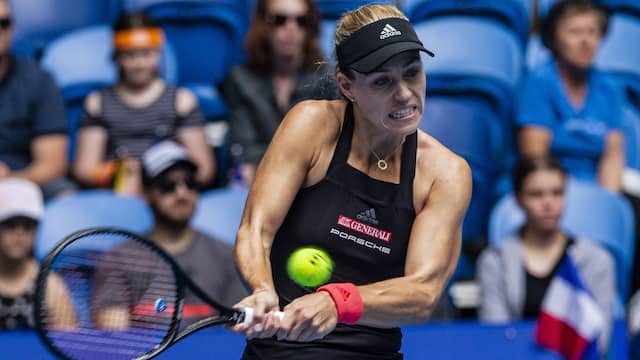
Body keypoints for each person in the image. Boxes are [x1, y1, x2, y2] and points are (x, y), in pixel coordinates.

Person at [231, 4, 471, 358]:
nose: (405, 93)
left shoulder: (444, 173)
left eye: (412, 72)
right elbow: (256, 229)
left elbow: (423, 293)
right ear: (347, 86)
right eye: (382, 81)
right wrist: (262, 288)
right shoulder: (311, 126)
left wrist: (338, 302)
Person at [92, 140, 247, 330]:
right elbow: (113, 336)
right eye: (168, 185)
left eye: (189, 183)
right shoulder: (119, 259)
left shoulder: (225, 256)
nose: (182, 193)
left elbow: (237, 333)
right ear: (147, 193)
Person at [477, 156, 615, 352]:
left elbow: (598, 339)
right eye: (536, 194)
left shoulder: (597, 259)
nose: (548, 203)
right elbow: (496, 336)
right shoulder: (494, 261)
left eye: (557, 193)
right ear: (518, 199)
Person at [72, 12, 215, 196]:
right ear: (117, 57)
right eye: (130, 55)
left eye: (147, 54)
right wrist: (114, 173)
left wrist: (165, 179)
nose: (139, 63)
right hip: (117, 192)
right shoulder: (97, 103)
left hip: (169, 194)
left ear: (159, 53)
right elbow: (84, 169)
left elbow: (204, 169)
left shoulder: (181, 101)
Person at [220, 0, 340, 185]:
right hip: (257, 184)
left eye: (301, 20)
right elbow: (243, 150)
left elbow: (331, 148)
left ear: (310, 27)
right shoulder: (240, 79)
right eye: (279, 20)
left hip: (314, 185)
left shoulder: (328, 79)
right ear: (263, 26)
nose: (290, 28)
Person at [516, 0, 623, 192]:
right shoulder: (539, 82)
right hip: (549, 193)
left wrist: (606, 203)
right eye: (574, 32)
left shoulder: (610, 88)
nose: (585, 41)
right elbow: (535, 158)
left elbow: (613, 157)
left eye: (593, 32)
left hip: (595, 191)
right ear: (554, 38)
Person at [0, 0, 69, 200]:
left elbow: (52, 164)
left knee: (64, 192)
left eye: (3, 23)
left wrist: (9, 180)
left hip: (24, 181)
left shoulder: (39, 80)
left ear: (13, 27)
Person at [0, 178, 77, 330]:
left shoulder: (51, 285)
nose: (19, 233)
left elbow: (66, 341)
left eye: (28, 226)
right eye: (10, 225)